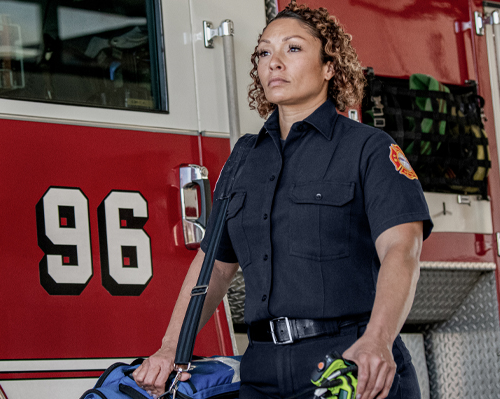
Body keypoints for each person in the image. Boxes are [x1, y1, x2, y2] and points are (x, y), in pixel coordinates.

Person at [133, 2, 432, 399]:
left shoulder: (369, 149)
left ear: (330, 66)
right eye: (263, 52)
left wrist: (377, 340)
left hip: (348, 365)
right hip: (261, 371)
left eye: (292, 49)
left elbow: (402, 248)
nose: (273, 62)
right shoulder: (243, 158)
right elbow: (214, 268)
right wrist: (172, 348)